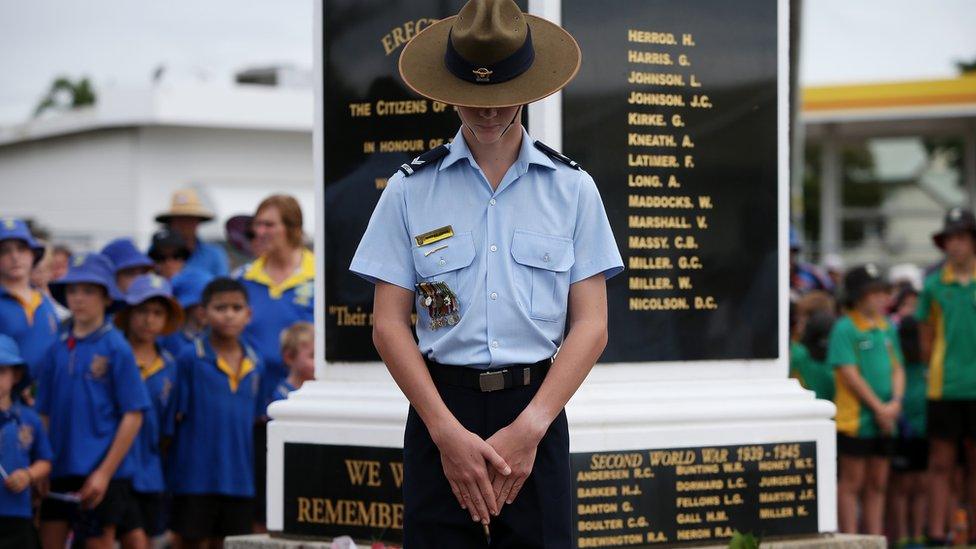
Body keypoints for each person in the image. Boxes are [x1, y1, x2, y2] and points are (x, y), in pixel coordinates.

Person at [350, 1, 623, 544]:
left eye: (502, 100)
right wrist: (445, 432)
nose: (489, 114)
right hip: (440, 406)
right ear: (448, 90)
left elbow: (591, 325)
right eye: (475, 101)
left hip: (535, 408)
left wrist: (532, 427)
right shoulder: (410, 188)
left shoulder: (572, 189)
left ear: (529, 88)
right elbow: (387, 324)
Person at [37, 253, 150, 549]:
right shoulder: (56, 348)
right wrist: (42, 461)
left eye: (88, 291)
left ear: (107, 297)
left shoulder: (117, 347)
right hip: (59, 468)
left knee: (98, 543)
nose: (79, 299)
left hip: (103, 471)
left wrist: (104, 473)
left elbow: (133, 414)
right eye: (73, 290)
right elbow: (44, 412)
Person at [168, 278, 263, 547]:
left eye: (236, 307)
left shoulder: (256, 364)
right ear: (203, 313)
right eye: (220, 308)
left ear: (248, 314)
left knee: (229, 543)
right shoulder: (190, 359)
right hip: (195, 478)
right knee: (191, 542)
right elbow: (173, 421)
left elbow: (254, 422)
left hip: (239, 479)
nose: (229, 314)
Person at [829, 264, 905, 535]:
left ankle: (874, 537)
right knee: (852, 482)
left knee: (878, 483)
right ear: (857, 296)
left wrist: (895, 402)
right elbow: (849, 374)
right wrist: (879, 408)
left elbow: (898, 367)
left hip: (885, 418)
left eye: (882, 292)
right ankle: (850, 537)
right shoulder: (844, 328)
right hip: (856, 418)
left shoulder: (887, 327)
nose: (880, 298)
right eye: (872, 292)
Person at [917, 207, 976, 545]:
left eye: (962, 238)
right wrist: (935, 367)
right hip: (945, 385)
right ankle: (937, 533)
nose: (956, 246)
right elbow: (926, 335)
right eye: (950, 239)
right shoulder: (935, 284)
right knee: (941, 461)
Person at [113, 274, 182, 547]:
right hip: (112, 466)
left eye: (157, 313)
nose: (149, 320)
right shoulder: (113, 356)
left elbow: (169, 428)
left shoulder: (170, 366)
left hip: (151, 471)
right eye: (142, 311)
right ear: (129, 313)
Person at [237, 195, 314, 396]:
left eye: (269, 225)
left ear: (293, 228)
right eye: (257, 225)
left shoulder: (321, 277)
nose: (259, 232)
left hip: (303, 400)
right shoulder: (243, 279)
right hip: (252, 401)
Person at [253, 321, 315, 532]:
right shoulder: (278, 399)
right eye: (312, 356)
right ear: (289, 357)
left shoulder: (318, 396)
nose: (318, 363)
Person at [0, 334, 52, 548]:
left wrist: (28, 475)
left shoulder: (29, 418)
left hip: (17, 514)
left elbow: (45, 460)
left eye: (1, 371)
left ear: (16, 375)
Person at [885, 285, 927, 548]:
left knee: (907, 488)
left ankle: (909, 537)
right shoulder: (901, 367)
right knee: (911, 487)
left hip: (915, 430)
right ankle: (907, 536)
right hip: (907, 429)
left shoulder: (919, 367)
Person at [0, 218, 60, 381]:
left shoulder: (45, 301)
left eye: (21, 249)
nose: (14, 257)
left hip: (46, 399)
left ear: (33, 254)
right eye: (4, 251)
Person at [155, 189, 229, 277]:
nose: (184, 225)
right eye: (180, 219)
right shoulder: (155, 253)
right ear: (171, 222)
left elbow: (222, 286)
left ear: (197, 222)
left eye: (189, 219)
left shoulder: (214, 255)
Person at [159, 268, 212, 359]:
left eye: (210, 304)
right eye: (199, 304)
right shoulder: (166, 335)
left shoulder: (214, 335)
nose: (204, 310)